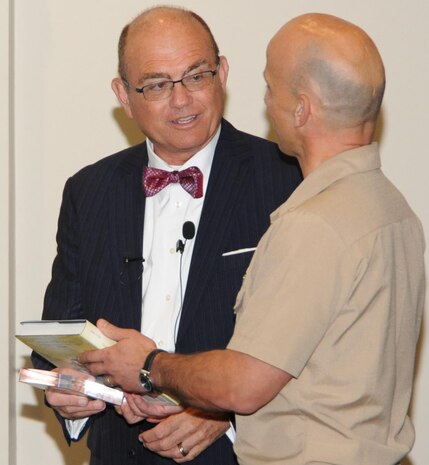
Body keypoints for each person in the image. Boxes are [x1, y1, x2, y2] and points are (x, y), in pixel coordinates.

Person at [80, 12, 426, 465]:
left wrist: (149, 366)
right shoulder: (391, 207)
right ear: (125, 94)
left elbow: (244, 383)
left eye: (270, 87)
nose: (264, 102)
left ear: (301, 108)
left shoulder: (312, 220)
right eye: (158, 84)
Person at [31, 5, 302, 465]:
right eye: (157, 85)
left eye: (196, 76)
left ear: (223, 73)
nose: (182, 101)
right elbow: (62, 337)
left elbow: (315, 345)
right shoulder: (89, 191)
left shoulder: (287, 180)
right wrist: (70, 394)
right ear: (124, 94)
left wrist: (226, 413)